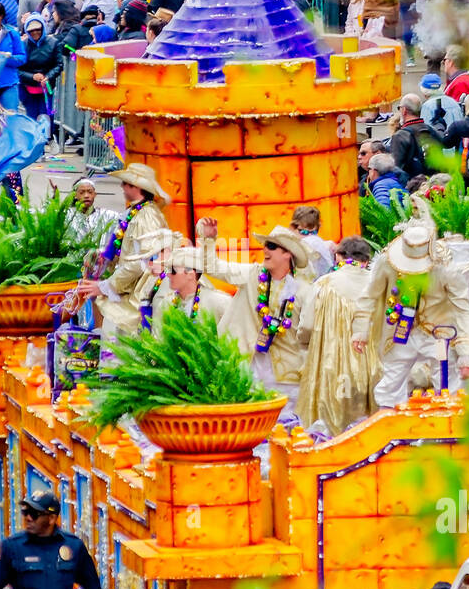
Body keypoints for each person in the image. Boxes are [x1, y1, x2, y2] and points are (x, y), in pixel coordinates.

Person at [195, 221, 317, 418]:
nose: (264, 250)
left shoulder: (303, 291)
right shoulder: (252, 274)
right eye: (265, 245)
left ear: (287, 253)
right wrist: (209, 240)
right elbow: (212, 267)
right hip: (247, 369)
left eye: (271, 246)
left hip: (287, 377)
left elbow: (310, 333)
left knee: (284, 432)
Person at [353, 221, 469, 404]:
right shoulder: (387, 263)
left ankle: (446, 430)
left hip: (438, 333)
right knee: (390, 386)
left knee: (448, 388)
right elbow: (369, 297)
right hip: (399, 330)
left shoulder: (446, 267)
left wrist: (467, 352)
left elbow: (463, 309)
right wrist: (360, 330)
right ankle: (390, 428)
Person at [74, 163, 173, 335]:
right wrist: (100, 257)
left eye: (125, 183)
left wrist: (106, 286)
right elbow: (125, 251)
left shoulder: (147, 217)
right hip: (132, 289)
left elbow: (141, 261)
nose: (121, 186)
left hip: (142, 295)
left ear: (135, 188)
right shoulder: (135, 212)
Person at [297, 236, 382, 435]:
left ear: (337, 257)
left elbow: (307, 326)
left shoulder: (324, 284)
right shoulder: (378, 285)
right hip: (374, 367)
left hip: (331, 366)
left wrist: (305, 344)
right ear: (367, 260)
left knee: (330, 432)